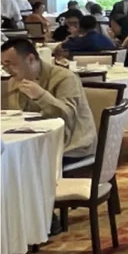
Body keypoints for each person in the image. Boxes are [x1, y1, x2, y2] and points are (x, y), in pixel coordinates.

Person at [2, 38, 97, 167]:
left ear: (30, 59)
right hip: (34, 142)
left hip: (72, 146)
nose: (6, 69)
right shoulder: (14, 81)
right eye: (3, 65)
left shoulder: (65, 77)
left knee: (20, 165)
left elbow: (67, 116)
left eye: (10, 64)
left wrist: (40, 95)